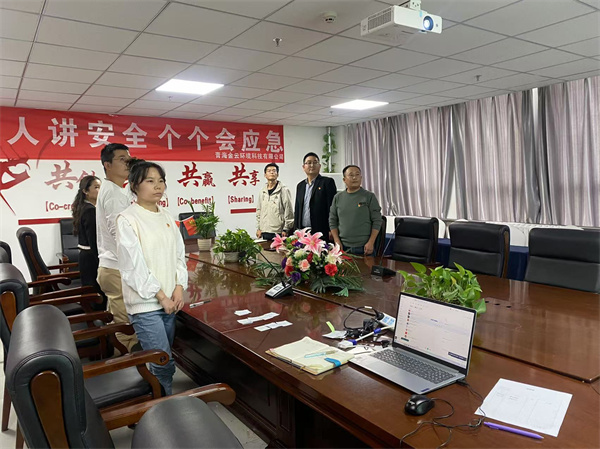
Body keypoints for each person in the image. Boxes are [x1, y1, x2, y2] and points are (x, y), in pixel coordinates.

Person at [116, 159, 186, 396]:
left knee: (163, 359)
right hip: (146, 304)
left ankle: (160, 400)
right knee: (162, 361)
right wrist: (162, 296)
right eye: (150, 181)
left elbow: (179, 255)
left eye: (161, 181)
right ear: (134, 185)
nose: (158, 186)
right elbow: (133, 267)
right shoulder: (128, 219)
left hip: (170, 302)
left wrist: (179, 287)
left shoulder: (166, 215)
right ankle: (164, 407)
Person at [96, 143, 139, 352]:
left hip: (114, 266)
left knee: (119, 322)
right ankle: (128, 366)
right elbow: (120, 235)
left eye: (129, 159)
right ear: (107, 165)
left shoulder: (117, 190)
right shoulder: (112, 193)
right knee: (126, 328)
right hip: (115, 268)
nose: (128, 163)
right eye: (122, 159)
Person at [329, 165, 383, 256]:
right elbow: (332, 220)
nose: (354, 178)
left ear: (361, 178)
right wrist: (337, 241)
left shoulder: (369, 196)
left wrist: (371, 242)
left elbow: (377, 220)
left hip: (364, 247)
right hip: (343, 247)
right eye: (351, 175)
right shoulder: (338, 197)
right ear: (344, 179)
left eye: (357, 175)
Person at [71, 175, 106, 310]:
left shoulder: (85, 207)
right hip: (91, 258)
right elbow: (94, 241)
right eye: (96, 187)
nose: (100, 190)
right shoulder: (90, 210)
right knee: (96, 294)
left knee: (91, 292)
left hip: (86, 257)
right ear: (85, 191)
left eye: (101, 187)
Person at [293, 152, 337, 240]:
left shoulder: (327, 182)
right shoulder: (300, 186)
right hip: (303, 232)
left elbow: (332, 208)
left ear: (319, 166)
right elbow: (297, 209)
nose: (312, 165)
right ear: (303, 167)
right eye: (309, 163)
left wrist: (331, 229)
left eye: (315, 162)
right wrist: (296, 230)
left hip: (321, 231)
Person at [256, 163, 294, 241]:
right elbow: (259, 210)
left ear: (277, 174)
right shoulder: (262, 191)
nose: (272, 172)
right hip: (265, 231)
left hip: (279, 231)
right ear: (265, 175)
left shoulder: (284, 190)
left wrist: (286, 228)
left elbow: (288, 210)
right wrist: (259, 228)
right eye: (269, 171)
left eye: (274, 171)